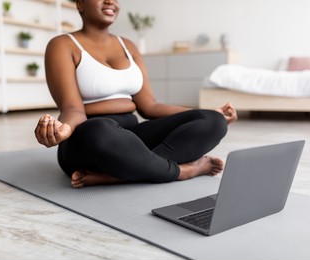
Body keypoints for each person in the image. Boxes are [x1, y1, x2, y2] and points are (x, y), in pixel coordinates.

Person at [34, 0, 237, 189]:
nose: (110, 1)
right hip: (89, 139)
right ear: (80, 3)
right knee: (100, 129)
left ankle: (119, 176)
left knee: (213, 121)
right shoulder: (62, 45)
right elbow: (73, 110)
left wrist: (209, 113)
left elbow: (149, 106)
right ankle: (182, 171)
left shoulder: (128, 46)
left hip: (132, 137)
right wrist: (62, 131)